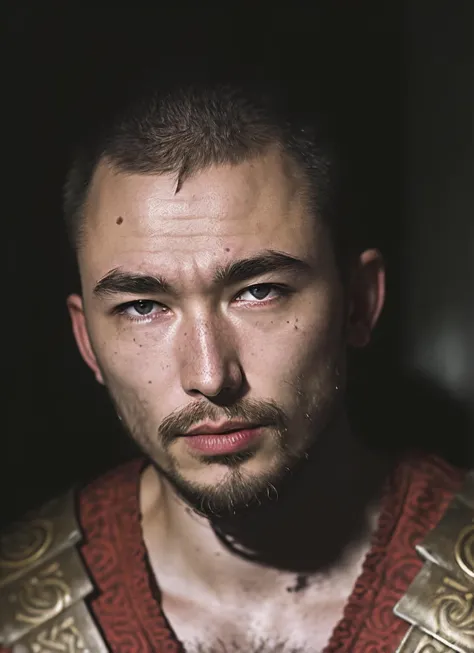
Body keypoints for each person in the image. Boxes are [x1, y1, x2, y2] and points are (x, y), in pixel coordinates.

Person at [1, 78, 470, 653]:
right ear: (86, 340)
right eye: (143, 306)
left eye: (259, 292)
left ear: (359, 304)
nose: (209, 374)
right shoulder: (14, 615)